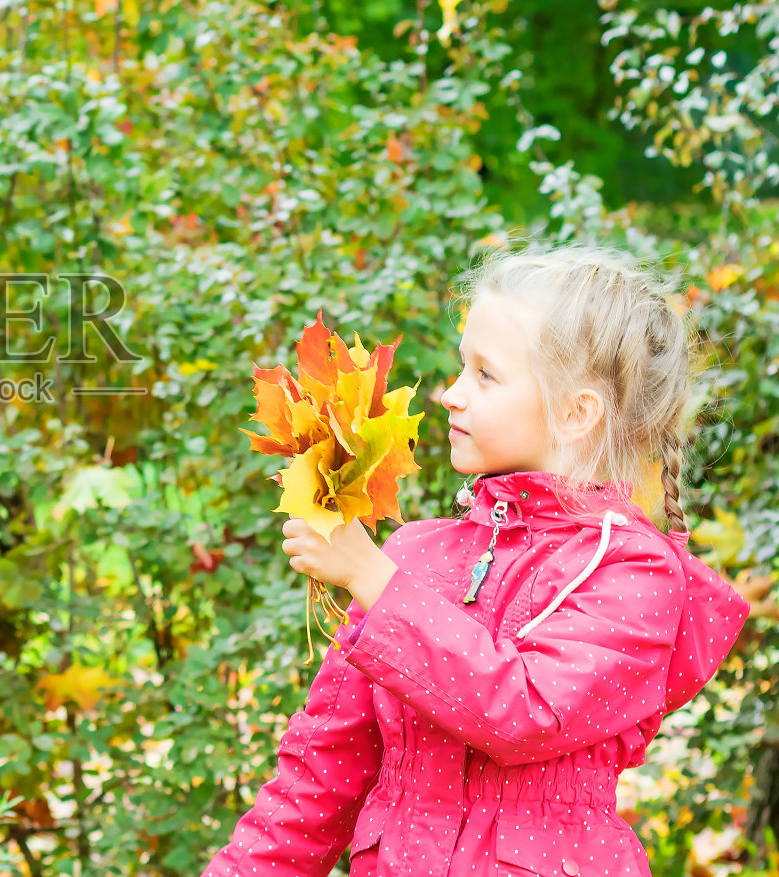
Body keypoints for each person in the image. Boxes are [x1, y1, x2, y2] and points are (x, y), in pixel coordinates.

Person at [200, 244, 752, 877]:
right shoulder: (414, 556)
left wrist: (373, 578)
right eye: (462, 367)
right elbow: (322, 772)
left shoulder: (631, 571)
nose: (450, 394)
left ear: (576, 413)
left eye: (486, 376)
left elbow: (524, 713)